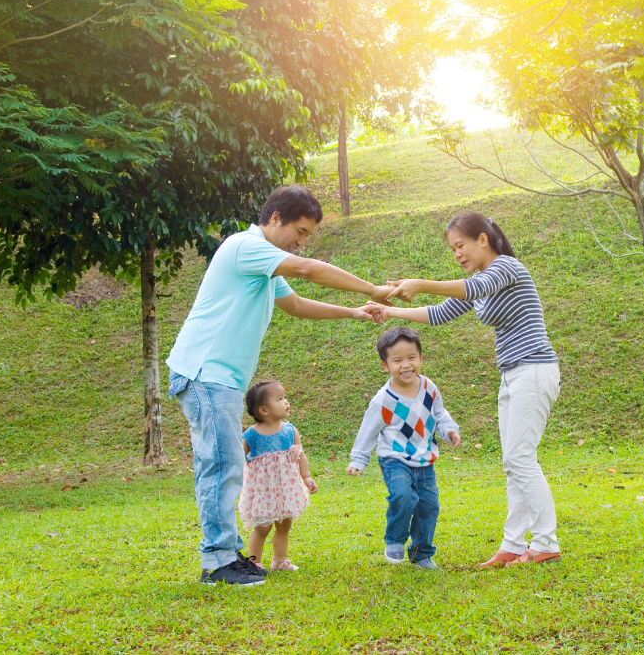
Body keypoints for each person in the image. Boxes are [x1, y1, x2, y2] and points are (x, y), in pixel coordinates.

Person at [167, 184, 391, 587]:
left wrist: (355, 312)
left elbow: (297, 304)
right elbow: (308, 269)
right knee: (221, 465)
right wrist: (373, 289)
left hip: (218, 378)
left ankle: (224, 555)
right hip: (205, 373)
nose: (301, 243)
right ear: (274, 219)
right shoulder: (245, 247)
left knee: (223, 464)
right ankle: (218, 561)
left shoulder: (263, 265)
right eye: (300, 232)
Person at [375, 212, 561, 567]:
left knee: (520, 459)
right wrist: (390, 309)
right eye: (452, 249)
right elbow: (438, 313)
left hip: (534, 369)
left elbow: (472, 289)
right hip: (513, 374)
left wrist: (420, 282)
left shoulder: (507, 268)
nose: (457, 253)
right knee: (513, 463)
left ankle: (546, 542)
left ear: (482, 239)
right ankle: (513, 544)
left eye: (460, 245)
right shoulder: (479, 281)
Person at [345, 327, 461, 570]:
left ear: (421, 358)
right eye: (397, 360)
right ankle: (395, 540)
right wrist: (358, 459)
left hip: (424, 458)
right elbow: (368, 430)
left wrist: (449, 431)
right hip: (394, 457)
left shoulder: (429, 387)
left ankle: (421, 554)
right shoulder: (383, 399)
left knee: (429, 506)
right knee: (403, 496)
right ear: (384, 365)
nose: (406, 365)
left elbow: (439, 415)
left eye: (411, 357)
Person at [238, 379, 316, 572]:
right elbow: (239, 459)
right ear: (264, 410)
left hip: (285, 490)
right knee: (262, 527)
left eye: (285, 397)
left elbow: (300, 455)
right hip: (263, 491)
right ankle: (254, 563)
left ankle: (280, 561)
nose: (287, 402)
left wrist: (306, 477)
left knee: (284, 526)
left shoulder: (290, 431)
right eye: (280, 398)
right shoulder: (251, 435)